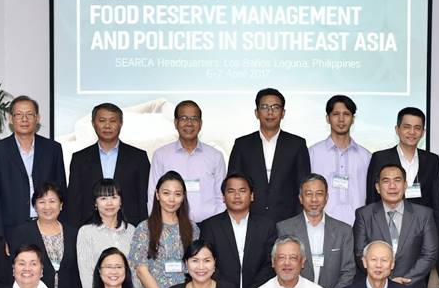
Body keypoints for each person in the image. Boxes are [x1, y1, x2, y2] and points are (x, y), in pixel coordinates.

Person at [354, 163, 438, 288]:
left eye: (397, 180)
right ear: (378, 187)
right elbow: (360, 253)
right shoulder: (364, 215)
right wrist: (386, 281)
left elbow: (429, 254)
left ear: (405, 185)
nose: (392, 186)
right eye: (386, 181)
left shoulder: (424, 215)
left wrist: (404, 281)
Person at [0, 95, 66, 239]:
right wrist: (1, 238)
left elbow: (61, 191)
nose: (24, 119)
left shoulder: (53, 149)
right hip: (10, 230)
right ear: (10, 119)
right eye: (19, 114)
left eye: (29, 114)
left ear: (37, 118)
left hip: (48, 227)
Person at [228, 88, 311, 222]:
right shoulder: (242, 144)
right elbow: (233, 183)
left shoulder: (297, 144)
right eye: (265, 107)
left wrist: (298, 220)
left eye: (275, 107)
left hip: (287, 220)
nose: (270, 112)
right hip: (250, 220)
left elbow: (304, 185)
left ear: (283, 113)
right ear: (256, 112)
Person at [66, 103, 150, 227]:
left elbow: (144, 198)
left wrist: (144, 230)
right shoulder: (80, 158)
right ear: (93, 123)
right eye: (102, 121)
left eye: (112, 121)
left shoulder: (138, 157)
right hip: (90, 227)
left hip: (129, 227)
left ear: (121, 123)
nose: (107, 126)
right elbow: (74, 200)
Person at [148, 100, 226, 224]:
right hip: (171, 226)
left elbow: (221, 196)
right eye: (184, 118)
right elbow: (153, 193)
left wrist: (218, 226)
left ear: (200, 124)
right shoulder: (161, 155)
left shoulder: (215, 156)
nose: (189, 123)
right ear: (175, 123)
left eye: (194, 118)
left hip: (209, 226)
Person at [9, 182, 83, 288]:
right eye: (42, 202)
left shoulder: (74, 234)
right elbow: (14, 270)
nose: (47, 207)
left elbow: (77, 274)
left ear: (61, 205)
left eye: (52, 201)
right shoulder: (22, 233)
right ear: (35, 206)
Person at [308, 95, 372, 225]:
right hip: (322, 225)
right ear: (328, 118)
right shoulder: (313, 153)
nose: (341, 119)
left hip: (358, 225)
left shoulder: (366, 156)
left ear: (353, 119)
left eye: (346, 114)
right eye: (336, 114)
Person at [367, 106, 439, 213]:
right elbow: (372, 197)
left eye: (417, 128)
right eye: (407, 127)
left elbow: (437, 200)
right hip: (387, 223)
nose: (412, 132)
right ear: (397, 129)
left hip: (422, 224)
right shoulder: (380, 158)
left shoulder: (432, 160)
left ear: (423, 132)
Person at [77, 179, 135, 288]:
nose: (109, 203)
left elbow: (135, 271)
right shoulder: (86, 232)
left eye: (114, 197)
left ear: (120, 201)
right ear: (95, 203)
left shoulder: (132, 231)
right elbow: (87, 273)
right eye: (103, 198)